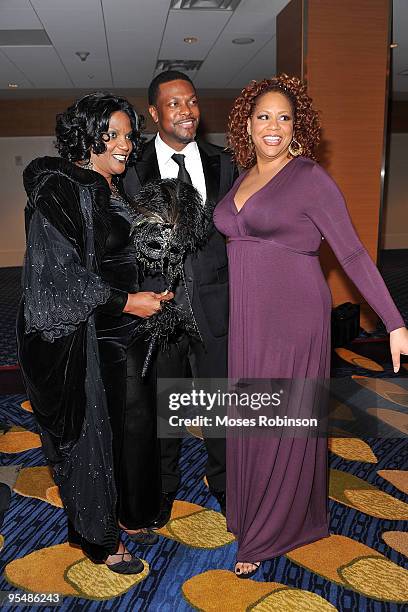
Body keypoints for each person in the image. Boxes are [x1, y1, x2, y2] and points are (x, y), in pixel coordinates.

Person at [213, 75, 408, 578]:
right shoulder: (242, 176)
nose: (273, 126)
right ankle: (252, 511)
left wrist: (393, 322)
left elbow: (352, 252)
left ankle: (270, 533)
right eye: (263, 117)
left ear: (298, 126)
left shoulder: (309, 177)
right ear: (247, 125)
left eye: (283, 117)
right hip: (248, 318)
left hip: (293, 315)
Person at [17, 92, 172, 573]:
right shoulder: (63, 187)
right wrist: (128, 301)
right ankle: (99, 540)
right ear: (87, 136)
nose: (125, 144)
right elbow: (58, 276)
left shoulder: (111, 187)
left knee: (129, 431)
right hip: (86, 339)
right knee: (94, 440)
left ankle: (126, 512)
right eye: (113, 135)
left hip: (125, 332)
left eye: (128, 134)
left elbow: (115, 254)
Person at [122, 70, 238, 526]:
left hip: (214, 307)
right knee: (163, 411)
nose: (186, 110)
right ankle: (164, 488)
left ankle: (225, 482)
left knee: (218, 407)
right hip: (159, 312)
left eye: (191, 101)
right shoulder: (132, 169)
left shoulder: (223, 162)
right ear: (154, 113)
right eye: (174, 104)